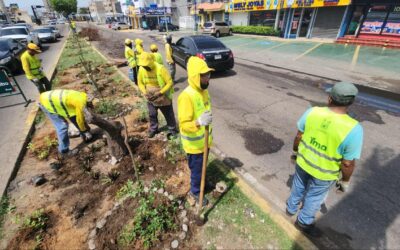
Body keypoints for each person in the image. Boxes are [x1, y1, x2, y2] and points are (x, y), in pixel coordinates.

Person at [286, 82, 363, 236]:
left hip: (303, 162)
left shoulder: (312, 112)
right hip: (325, 173)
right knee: (315, 197)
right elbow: (347, 163)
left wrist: (295, 152)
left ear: (329, 99)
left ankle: (290, 208)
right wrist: (345, 182)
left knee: (298, 185)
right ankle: (303, 222)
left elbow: (299, 136)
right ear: (351, 102)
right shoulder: (354, 129)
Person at [177, 56, 214, 206]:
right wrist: (198, 122)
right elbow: (184, 124)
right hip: (194, 146)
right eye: (204, 75)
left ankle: (202, 183)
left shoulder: (204, 91)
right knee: (197, 170)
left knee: (203, 166)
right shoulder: (186, 96)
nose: (207, 78)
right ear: (195, 77)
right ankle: (196, 192)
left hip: (205, 142)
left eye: (208, 74)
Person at [39, 89, 93, 157]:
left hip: (51, 98)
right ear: (89, 103)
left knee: (74, 116)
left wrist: (85, 131)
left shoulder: (83, 95)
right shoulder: (81, 103)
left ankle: (84, 135)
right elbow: (79, 120)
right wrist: (84, 130)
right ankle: (64, 151)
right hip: (47, 103)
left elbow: (74, 115)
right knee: (62, 126)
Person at [137, 52, 177, 138]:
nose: (145, 67)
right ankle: (153, 129)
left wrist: (160, 93)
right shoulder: (141, 69)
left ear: (151, 62)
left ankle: (172, 129)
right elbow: (140, 83)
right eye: (143, 66)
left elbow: (169, 82)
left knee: (168, 114)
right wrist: (144, 92)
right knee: (152, 114)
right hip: (150, 96)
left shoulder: (160, 68)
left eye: (146, 65)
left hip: (163, 96)